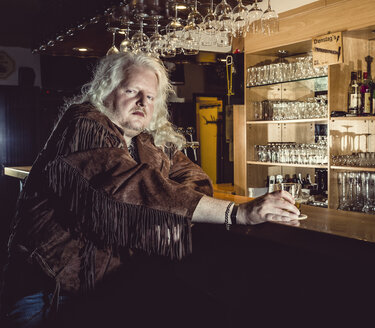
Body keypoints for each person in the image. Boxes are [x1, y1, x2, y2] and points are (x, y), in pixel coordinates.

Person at [1, 52, 300, 327]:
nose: (143, 102)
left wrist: (166, 210)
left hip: (109, 292)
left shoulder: (148, 142)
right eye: (132, 91)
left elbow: (195, 180)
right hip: (50, 296)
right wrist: (236, 213)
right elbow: (127, 185)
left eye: (150, 96)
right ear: (106, 90)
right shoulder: (83, 123)